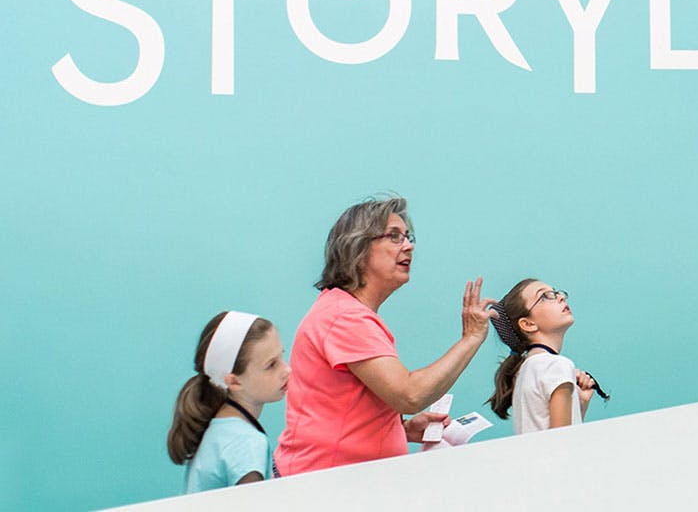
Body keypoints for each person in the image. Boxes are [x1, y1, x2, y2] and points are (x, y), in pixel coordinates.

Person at [274, 195, 496, 475]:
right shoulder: (345, 317)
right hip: (324, 488)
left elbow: (347, 412)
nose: (409, 245)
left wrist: (399, 430)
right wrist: (471, 338)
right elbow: (409, 395)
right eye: (394, 236)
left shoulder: (343, 311)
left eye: (407, 236)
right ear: (357, 247)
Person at [167, 311, 290, 493]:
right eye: (271, 365)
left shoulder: (218, 429)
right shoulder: (246, 443)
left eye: (282, 356)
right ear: (233, 381)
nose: (286, 370)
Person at [486, 278, 604, 433]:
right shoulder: (556, 365)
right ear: (528, 324)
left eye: (555, 293)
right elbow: (560, 444)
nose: (561, 297)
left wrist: (580, 404)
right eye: (545, 296)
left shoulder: (524, 370)